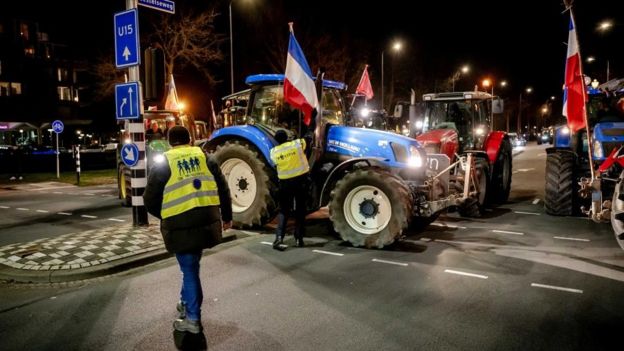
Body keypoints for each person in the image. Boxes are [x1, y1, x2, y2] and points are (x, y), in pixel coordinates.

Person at [143, 126, 232, 334]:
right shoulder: (205, 158)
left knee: (190, 270)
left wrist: (166, 214)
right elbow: (223, 189)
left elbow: (149, 199)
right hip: (206, 223)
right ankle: (185, 303)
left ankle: (193, 319)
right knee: (192, 265)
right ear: (190, 139)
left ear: (169, 142)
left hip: (180, 226)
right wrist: (227, 217)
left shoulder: (165, 163)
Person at [269, 129, 310, 251]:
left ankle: (279, 238)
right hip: (300, 182)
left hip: (285, 185)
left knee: (284, 211)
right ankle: (299, 239)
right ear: (287, 137)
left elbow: (274, 164)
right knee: (300, 211)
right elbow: (308, 138)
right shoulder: (297, 144)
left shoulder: (273, 152)